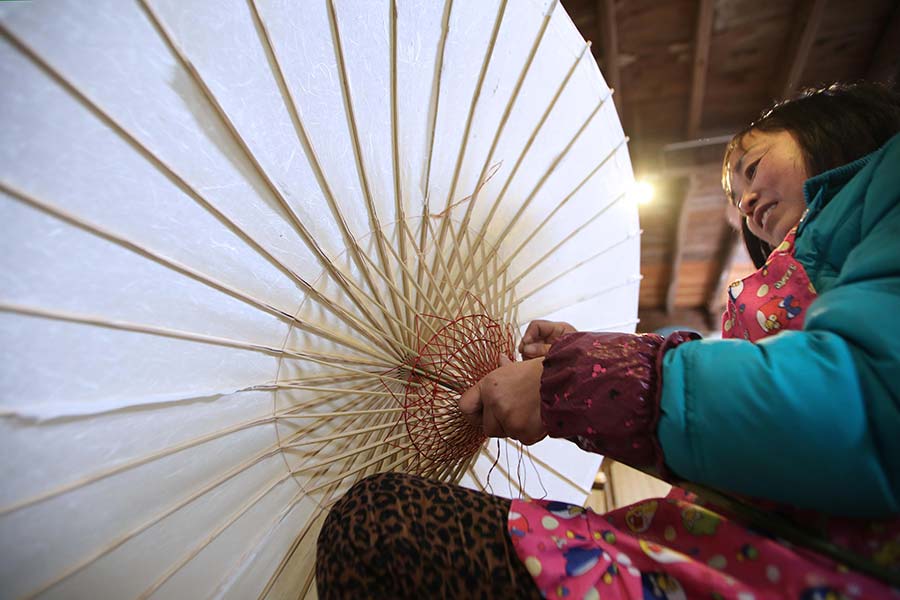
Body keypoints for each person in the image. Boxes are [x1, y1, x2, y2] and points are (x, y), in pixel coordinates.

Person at [315, 82, 900, 599]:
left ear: (832, 130)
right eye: (737, 197)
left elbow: (863, 400)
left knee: (380, 527)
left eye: (751, 170)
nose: (745, 204)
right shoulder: (788, 278)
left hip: (795, 572)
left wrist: (581, 382)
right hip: (748, 557)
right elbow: (762, 434)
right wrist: (583, 362)